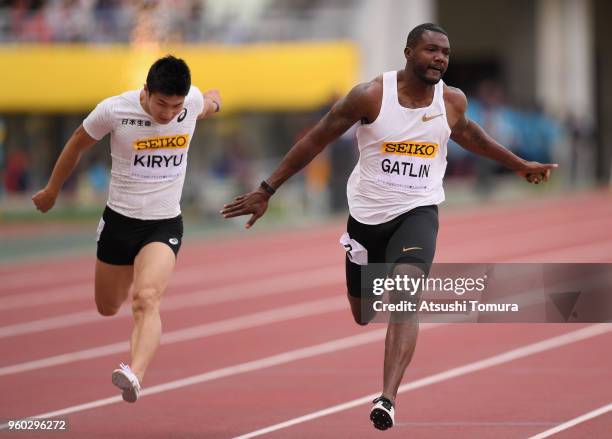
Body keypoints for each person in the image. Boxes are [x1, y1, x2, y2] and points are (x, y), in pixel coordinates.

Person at [221, 23, 557, 430]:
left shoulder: (451, 101)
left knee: (405, 292)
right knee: (363, 314)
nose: (439, 59)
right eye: (431, 50)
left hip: (418, 211)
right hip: (366, 217)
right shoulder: (371, 95)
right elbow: (317, 138)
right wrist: (266, 188)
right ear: (408, 52)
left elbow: (471, 136)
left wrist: (520, 165)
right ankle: (362, 276)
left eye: (445, 53)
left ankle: (387, 398)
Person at [32, 55, 221, 403]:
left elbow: (207, 104)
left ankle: (134, 375)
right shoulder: (114, 110)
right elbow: (76, 142)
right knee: (108, 306)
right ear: (146, 90)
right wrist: (52, 190)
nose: (167, 113)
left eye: (175, 106)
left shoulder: (189, 103)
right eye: (161, 103)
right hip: (120, 222)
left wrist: (215, 99)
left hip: (164, 223)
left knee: (147, 299)